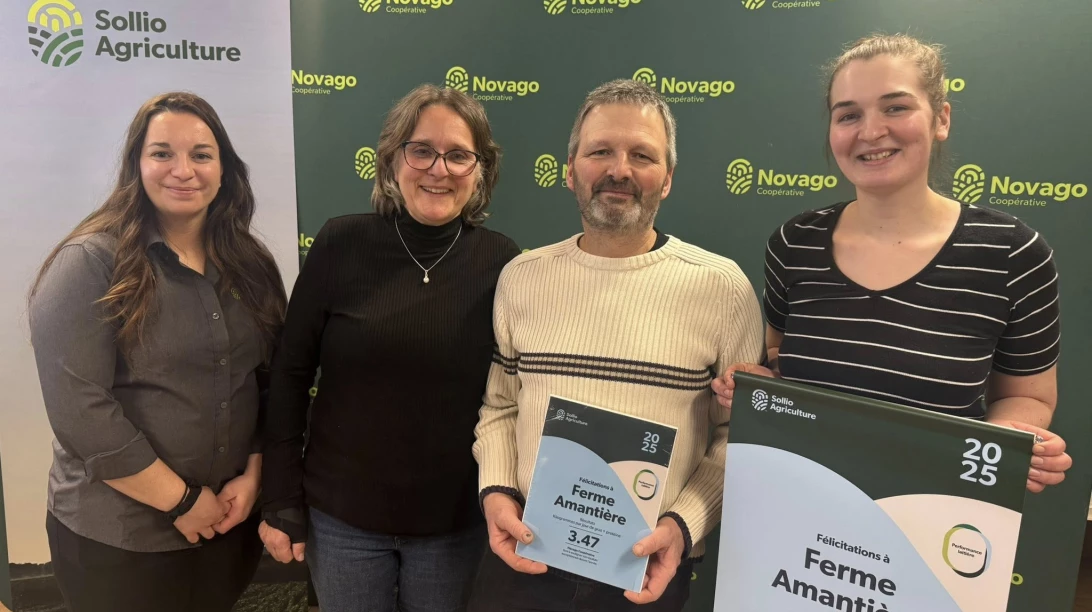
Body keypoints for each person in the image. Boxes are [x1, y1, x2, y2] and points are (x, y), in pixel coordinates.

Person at [713, 33, 1071, 492]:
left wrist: (1013, 445)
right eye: (848, 115)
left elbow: (1026, 395)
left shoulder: (1012, 253)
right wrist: (763, 384)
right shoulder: (794, 243)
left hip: (934, 515)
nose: (870, 131)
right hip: (799, 504)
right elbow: (782, 358)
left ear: (941, 119)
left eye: (895, 107)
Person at [467, 79, 766, 612]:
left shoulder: (723, 289)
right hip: (525, 560)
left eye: (642, 155)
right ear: (570, 171)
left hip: (646, 574)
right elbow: (500, 406)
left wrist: (683, 526)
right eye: (600, 151)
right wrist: (495, 493)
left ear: (667, 179)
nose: (619, 169)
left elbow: (735, 437)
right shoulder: (522, 277)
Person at [258, 83, 521, 612]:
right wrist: (280, 496)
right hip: (342, 522)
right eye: (421, 149)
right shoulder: (339, 244)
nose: (438, 169)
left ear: (481, 169)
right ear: (393, 159)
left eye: (458, 155)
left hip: (452, 526)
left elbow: (515, 395)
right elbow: (288, 375)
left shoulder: (504, 263)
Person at [28, 91, 287, 612]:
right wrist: (184, 502)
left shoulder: (251, 263)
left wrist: (255, 472)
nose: (183, 170)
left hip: (224, 528)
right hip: (118, 541)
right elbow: (81, 412)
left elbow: (269, 379)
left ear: (225, 169)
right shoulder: (89, 264)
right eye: (163, 153)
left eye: (202, 155)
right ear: (137, 165)